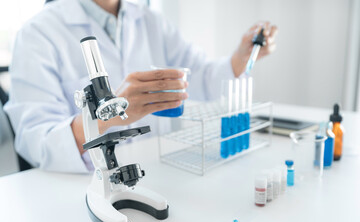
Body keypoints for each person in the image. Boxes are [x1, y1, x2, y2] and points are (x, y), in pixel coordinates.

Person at [4, 0, 277, 172]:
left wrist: (241, 58)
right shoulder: (38, 33)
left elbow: (201, 77)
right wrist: (108, 116)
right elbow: (36, 141)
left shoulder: (150, 20)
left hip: (157, 172)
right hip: (84, 183)